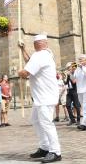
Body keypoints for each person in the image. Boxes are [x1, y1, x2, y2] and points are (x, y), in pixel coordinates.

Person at [18, 34, 62, 163]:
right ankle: (45, 147)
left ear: (36, 44)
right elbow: (30, 61)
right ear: (45, 44)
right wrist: (23, 50)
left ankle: (55, 151)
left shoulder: (40, 56)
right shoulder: (45, 54)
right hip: (42, 96)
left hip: (45, 96)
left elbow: (26, 73)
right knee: (36, 120)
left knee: (46, 123)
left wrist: (19, 72)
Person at [71, 54, 86, 131]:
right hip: (80, 90)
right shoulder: (77, 68)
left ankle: (84, 124)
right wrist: (71, 73)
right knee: (85, 107)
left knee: (85, 107)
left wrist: (81, 67)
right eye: (79, 59)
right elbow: (74, 80)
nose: (80, 61)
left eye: (81, 59)